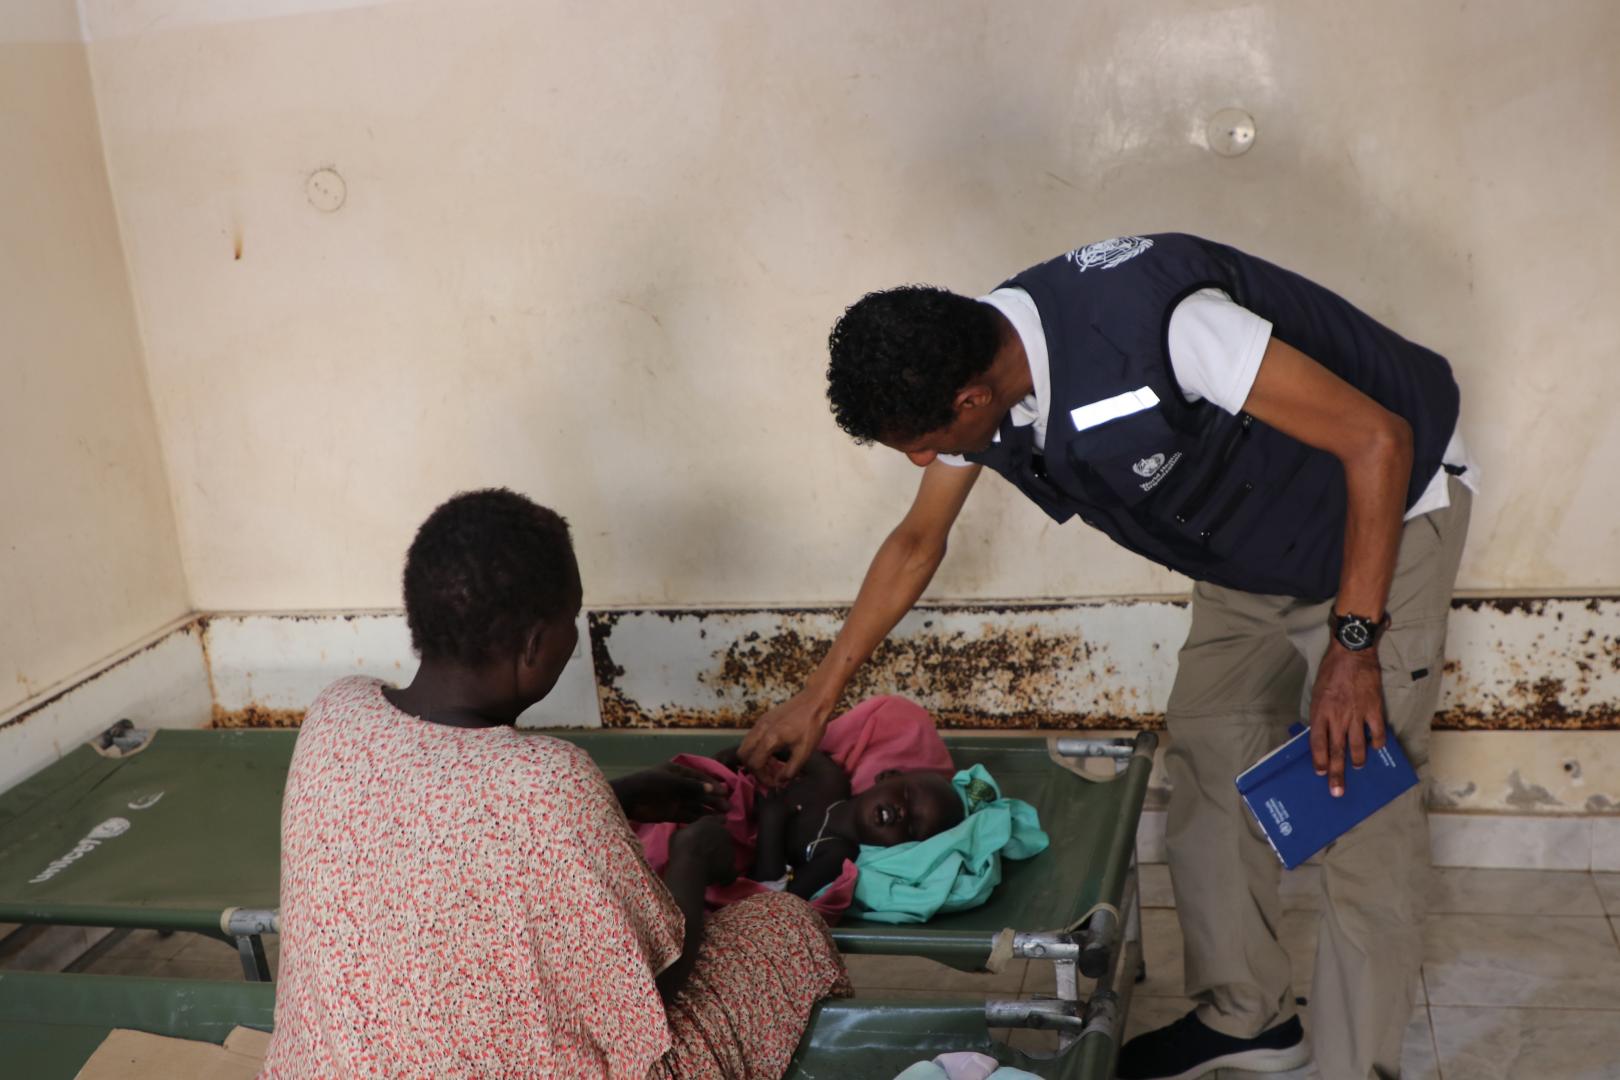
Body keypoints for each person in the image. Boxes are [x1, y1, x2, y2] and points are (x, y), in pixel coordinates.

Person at [738, 234, 1474, 1080]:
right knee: (1209, 757)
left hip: (1385, 522)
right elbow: (916, 540)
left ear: (971, 397)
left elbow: (1378, 442)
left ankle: (1357, 1068)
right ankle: (1249, 1018)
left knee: (1357, 801)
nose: (919, 459)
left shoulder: (1163, 327)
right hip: (1248, 553)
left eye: (922, 440)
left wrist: (1354, 648)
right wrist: (817, 699)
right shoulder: (969, 365)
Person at [263, 488, 848, 1079]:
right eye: (572, 618)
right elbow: (646, 991)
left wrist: (612, 801)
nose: (573, 638)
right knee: (783, 926)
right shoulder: (548, 779)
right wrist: (693, 861)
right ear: (534, 643)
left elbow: (434, 833)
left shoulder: (335, 713)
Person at [716, 745, 965, 899]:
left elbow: (772, 897)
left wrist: (772, 823)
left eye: (912, 827)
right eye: (906, 796)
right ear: (887, 776)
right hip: (722, 804)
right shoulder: (831, 781)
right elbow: (785, 746)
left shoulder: (838, 854)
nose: (902, 813)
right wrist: (737, 755)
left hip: (726, 858)